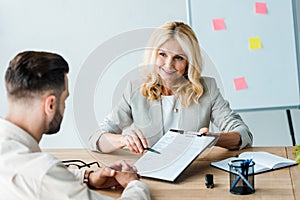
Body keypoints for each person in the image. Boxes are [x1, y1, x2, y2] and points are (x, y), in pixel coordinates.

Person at [0, 51, 150, 200]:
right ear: (50, 104)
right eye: (64, 99)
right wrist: (134, 184)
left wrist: (88, 177)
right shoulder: (43, 174)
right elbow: (45, 178)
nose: (65, 107)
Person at [89, 21, 253, 154]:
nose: (168, 65)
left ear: (189, 61)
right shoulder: (135, 88)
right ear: (153, 55)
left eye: (178, 58)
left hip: (192, 176)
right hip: (147, 173)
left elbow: (244, 134)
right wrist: (123, 140)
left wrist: (213, 138)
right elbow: (96, 139)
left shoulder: (207, 88)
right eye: (162, 54)